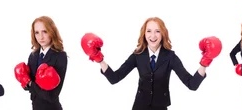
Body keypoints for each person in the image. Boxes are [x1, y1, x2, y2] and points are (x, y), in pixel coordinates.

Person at [81, 17, 222, 110]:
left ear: (163, 34)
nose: (152, 36)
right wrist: (99, 58)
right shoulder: (137, 55)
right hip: (139, 106)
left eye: (157, 31)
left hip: (161, 106)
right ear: (144, 34)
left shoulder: (170, 56)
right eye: (149, 31)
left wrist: (205, 61)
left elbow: (192, 84)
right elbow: (114, 78)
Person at [14, 16, 68, 110]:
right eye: (37, 32)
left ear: (52, 32)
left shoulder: (60, 56)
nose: (41, 37)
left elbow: (51, 96)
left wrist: (30, 83)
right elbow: (27, 88)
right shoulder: (33, 55)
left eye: (45, 31)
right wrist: (25, 81)